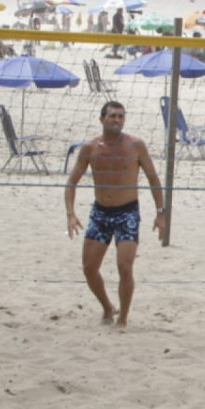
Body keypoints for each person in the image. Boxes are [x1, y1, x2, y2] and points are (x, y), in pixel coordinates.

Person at [64, 101, 167, 328]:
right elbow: (72, 182)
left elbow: (153, 179)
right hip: (100, 213)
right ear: (102, 119)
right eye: (112, 116)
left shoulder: (136, 145)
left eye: (121, 116)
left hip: (127, 212)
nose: (117, 120)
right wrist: (70, 214)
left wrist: (160, 214)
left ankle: (123, 318)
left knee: (125, 267)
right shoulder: (90, 147)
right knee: (89, 268)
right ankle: (108, 307)